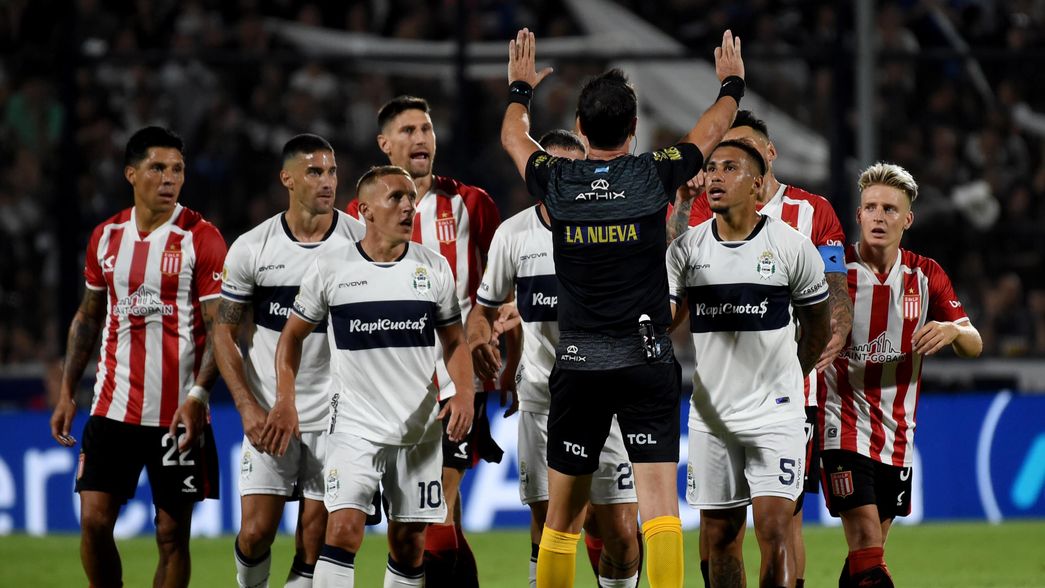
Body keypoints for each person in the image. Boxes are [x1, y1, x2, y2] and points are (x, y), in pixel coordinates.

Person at [501, 27, 746, 588]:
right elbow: (712, 129)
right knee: (659, 511)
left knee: (561, 520)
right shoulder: (653, 173)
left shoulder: (558, 180)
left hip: (579, 363)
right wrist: (732, 83)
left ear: (580, 128)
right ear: (634, 129)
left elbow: (514, 136)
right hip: (646, 359)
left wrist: (519, 89)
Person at [669, 110, 853, 588]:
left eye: (732, 164)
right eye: (713, 165)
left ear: (764, 162)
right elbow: (669, 303)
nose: (716, 174)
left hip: (781, 406)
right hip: (713, 409)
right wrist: (679, 207)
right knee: (718, 534)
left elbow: (827, 313)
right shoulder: (693, 234)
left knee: (779, 524)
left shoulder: (803, 225)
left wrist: (795, 373)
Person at [273, 165, 475, 587]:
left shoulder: (433, 268)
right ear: (365, 210)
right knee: (343, 531)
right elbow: (291, 337)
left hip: (418, 430)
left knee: (409, 543)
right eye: (395, 197)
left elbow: (455, 341)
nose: (408, 206)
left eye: (411, 198)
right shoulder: (332, 268)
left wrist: (464, 395)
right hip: (354, 427)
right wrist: (285, 399)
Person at [49, 126, 225, 588]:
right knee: (93, 522)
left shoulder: (201, 238)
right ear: (131, 173)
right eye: (158, 168)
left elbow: (222, 330)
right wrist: (67, 391)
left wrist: (199, 395)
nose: (170, 179)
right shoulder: (106, 237)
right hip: (112, 408)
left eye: (178, 170)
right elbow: (88, 317)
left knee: (171, 535)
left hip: (178, 414)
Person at [468, 129, 642, 588]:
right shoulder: (514, 235)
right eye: (554, 171)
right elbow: (483, 310)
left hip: (607, 399)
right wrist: (482, 341)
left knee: (620, 532)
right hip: (543, 401)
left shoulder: (614, 228)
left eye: (575, 171)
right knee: (550, 524)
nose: (565, 180)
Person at [345, 95, 501, 585]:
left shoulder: (471, 203)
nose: (421, 138)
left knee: (433, 517)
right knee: (432, 520)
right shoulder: (359, 214)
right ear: (384, 143)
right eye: (408, 130)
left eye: (426, 129)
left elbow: (502, 281)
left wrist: (496, 331)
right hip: (389, 388)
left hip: (456, 381)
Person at [820, 162, 982, 588]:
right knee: (866, 542)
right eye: (871, 207)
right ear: (858, 215)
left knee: (866, 556)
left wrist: (953, 330)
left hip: (897, 434)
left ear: (907, 219)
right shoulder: (832, 270)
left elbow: (974, 342)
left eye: (890, 209)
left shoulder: (925, 274)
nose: (879, 216)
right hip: (841, 425)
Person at [215, 134, 366, 588]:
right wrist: (246, 406)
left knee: (314, 541)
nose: (327, 181)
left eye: (332, 171)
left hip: (336, 416)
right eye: (314, 172)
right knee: (255, 533)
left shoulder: (359, 242)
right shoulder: (253, 247)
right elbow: (223, 332)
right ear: (288, 179)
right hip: (270, 413)